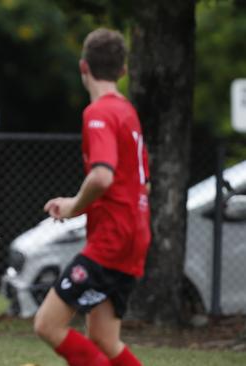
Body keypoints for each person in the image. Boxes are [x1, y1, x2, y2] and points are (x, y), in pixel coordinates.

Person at [34, 28, 151, 366]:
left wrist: (73, 206)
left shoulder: (99, 113)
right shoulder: (128, 112)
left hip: (112, 238)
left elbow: (102, 176)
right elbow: (139, 182)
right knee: (103, 338)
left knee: (47, 324)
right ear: (123, 71)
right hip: (135, 233)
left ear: (83, 67)